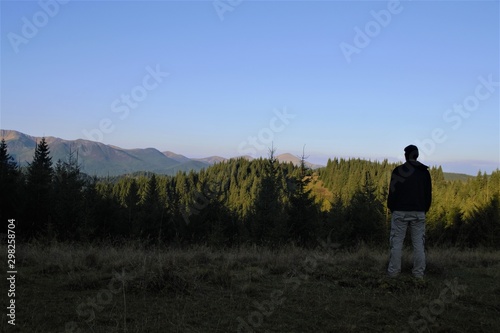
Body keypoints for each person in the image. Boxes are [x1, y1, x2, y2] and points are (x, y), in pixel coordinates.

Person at [387, 145, 432, 279]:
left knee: (396, 243)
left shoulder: (398, 171)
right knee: (419, 244)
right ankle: (418, 274)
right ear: (417, 155)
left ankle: (394, 273)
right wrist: (425, 209)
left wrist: (391, 208)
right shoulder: (424, 172)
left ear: (406, 155)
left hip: (400, 212)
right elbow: (428, 194)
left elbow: (392, 193)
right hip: (419, 212)